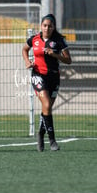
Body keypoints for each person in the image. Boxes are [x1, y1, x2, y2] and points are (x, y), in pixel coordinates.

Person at [22, 14, 72, 152]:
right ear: (41, 26)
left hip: (54, 78)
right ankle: (52, 141)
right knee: (47, 104)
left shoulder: (59, 41)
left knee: (47, 109)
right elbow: (24, 49)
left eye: (50, 26)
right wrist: (27, 61)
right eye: (44, 25)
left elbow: (68, 60)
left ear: (54, 27)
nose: (47, 28)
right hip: (38, 76)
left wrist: (55, 54)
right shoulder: (35, 39)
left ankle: (40, 134)